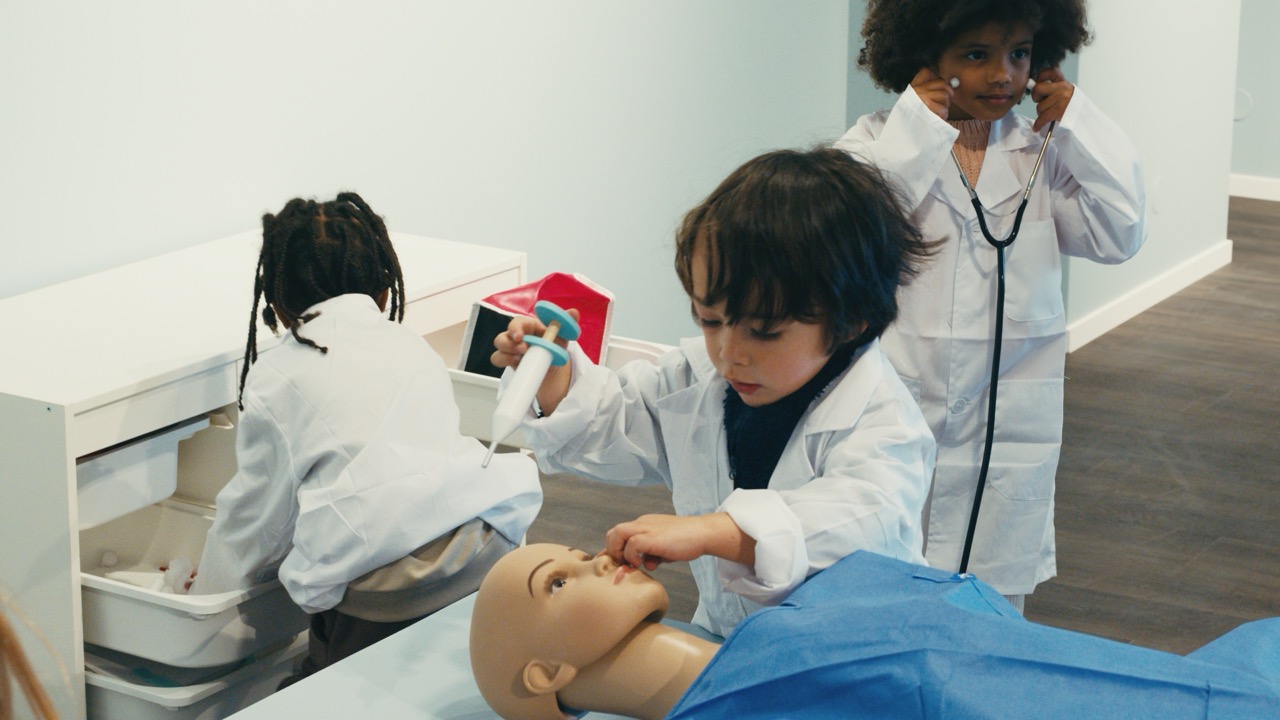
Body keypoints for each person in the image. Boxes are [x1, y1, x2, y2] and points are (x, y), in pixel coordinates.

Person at [491, 148, 938, 637]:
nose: (729, 354)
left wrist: (710, 531)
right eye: (710, 320)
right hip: (728, 642)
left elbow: (859, 521)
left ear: (851, 320)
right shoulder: (700, 379)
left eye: (764, 331)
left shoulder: (883, 421)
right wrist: (553, 380)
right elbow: (615, 421)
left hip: (849, 657)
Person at [835, 0, 1147, 609]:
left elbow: (1121, 232)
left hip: (1008, 426)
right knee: (885, 586)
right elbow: (847, 233)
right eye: (976, 56)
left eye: (1019, 54)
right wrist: (918, 135)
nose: (1002, 75)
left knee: (992, 606)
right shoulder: (878, 142)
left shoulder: (1044, 155)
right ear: (925, 56)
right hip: (903, 409)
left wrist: (1080, 122)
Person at [189, 192, 542, 686]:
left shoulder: (277, 376)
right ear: (382, 291)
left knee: (323, 688)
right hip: (485, 550)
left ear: (278, 307)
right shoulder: (409, 344)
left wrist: (205, 596)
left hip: (387, 599)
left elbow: (255, 518)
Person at [470, 543, 1280, 720]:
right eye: (560, 580)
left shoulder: (788, 628)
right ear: (544, 676)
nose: (591, 559)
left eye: (576, 553)